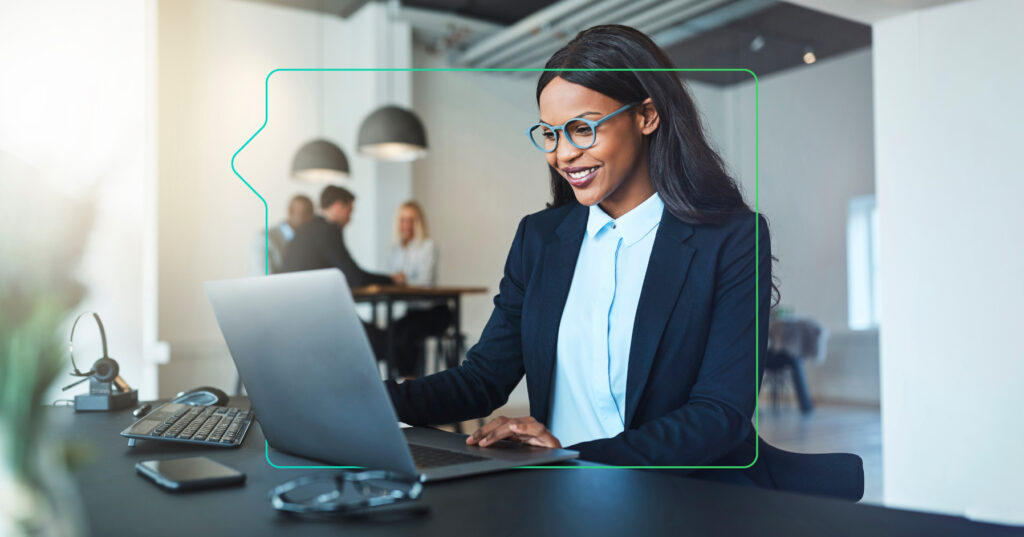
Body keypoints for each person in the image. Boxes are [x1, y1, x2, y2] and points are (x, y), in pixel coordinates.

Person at [383, 25, 776, 486]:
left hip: (674, 495)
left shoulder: (731, 239)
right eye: (550, 134)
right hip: (561, 492)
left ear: (647, 115)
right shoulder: (539, 237)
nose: (564, 153)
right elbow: (483, 379)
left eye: (582, 128)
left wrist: (574, 458)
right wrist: (367, 399)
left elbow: (719, 414)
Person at [282, 185, 404, 287]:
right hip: (307, 303)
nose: (350, 219)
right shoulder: (326, 231)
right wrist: (391, 280)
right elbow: (354, 277)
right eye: (349, 212)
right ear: (338, 206)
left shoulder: (310, 228)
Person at [389, 201, 452, 377]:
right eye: (403, 220)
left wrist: (401, 280)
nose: (406, 225)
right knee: (390, 335)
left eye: (411, 220)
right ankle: (402, 382)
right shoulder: (396, 250)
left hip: (434, 312)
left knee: (407, 337)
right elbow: (393, 280)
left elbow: (425, 281)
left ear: (419, 222)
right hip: (413, 312)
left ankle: (413, 384)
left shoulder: (428, 246)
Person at [250, 194, 314, 275]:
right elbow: (263, 279)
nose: (309, 219)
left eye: (311, 214)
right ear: (291, 212)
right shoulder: (264, 239)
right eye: (305, 213)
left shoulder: (308, 240)